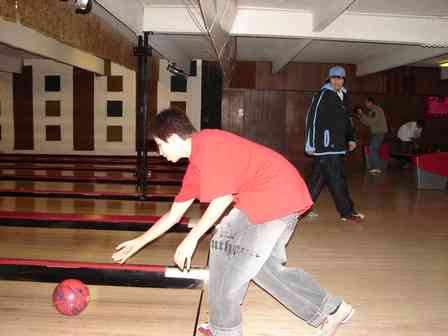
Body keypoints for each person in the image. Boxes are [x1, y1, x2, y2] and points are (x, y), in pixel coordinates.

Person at [112, 108, 355, 336]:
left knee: (226, 250)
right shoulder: (196, 165)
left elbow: (222, 198)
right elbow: (174, 213)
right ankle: (331, 310)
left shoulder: (210, 145)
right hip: (275, 197)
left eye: (160, 144)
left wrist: (191, 239)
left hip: (271, 196)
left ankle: (223, 329)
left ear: (173, 138)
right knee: (259, 266)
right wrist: (139, 241)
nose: (160, 151)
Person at [304, 66, 364, 222]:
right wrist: (310, 144)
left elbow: (347, 119)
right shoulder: (323, 94)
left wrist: (351, 138)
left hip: (337, 145)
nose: (338, 80)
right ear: (329, 78)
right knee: (337, 178)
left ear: (344, 79)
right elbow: (311, 119)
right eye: (335, 77)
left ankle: (300, 208)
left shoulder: (343, 95)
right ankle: (347, 211)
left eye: (341, 78)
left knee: (318, 178)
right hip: (325, 146)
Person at [357, 97, 388, 175]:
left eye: (366, 103)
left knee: (372, 148)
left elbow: (371, 121)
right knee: (374, 149)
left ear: (370, 102)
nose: (365, 105)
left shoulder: (376, 109)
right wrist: (360, 116)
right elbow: (367, 123)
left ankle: (377, 168)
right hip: (377, 133)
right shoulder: (372, 111)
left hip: (379, 132)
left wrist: (362, 115)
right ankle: (376, 167)